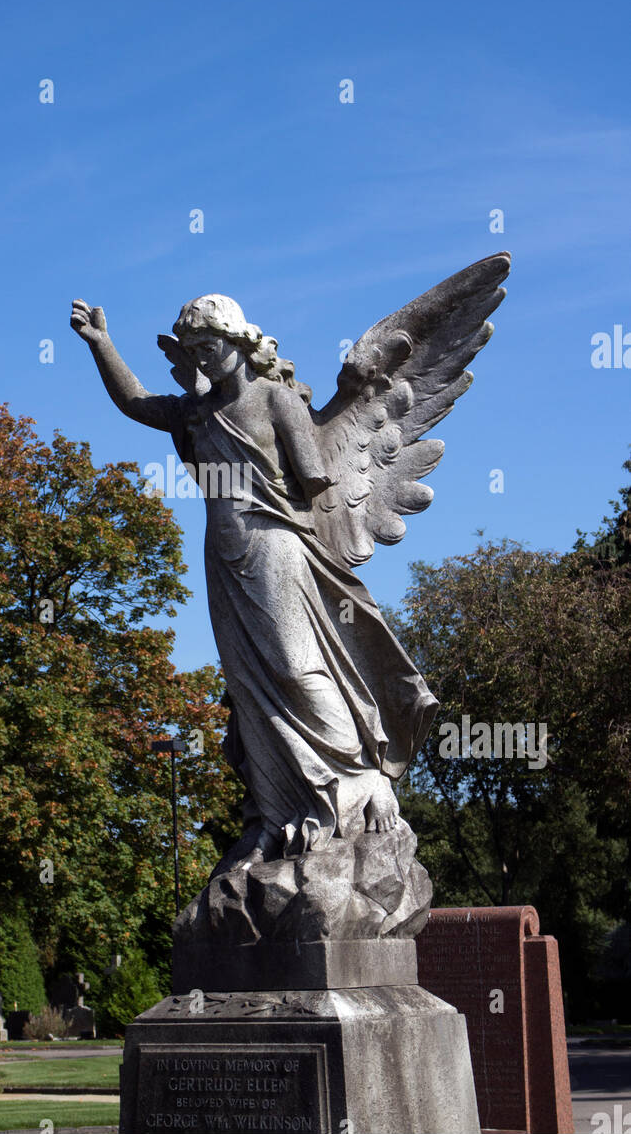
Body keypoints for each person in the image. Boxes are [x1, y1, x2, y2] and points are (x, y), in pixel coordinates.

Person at [71, 293, 438, 870]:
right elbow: (137, 403)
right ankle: (276, 817)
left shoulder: (274, 400)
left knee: (295, 666)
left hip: (275, 547)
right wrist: (102, 346)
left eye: (209, 347)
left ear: (239, 344)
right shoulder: (196, 411)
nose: (201, 359)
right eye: (192, 351)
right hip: (223, 556)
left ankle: (364, 780)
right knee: (248, 689)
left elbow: (317, 482)